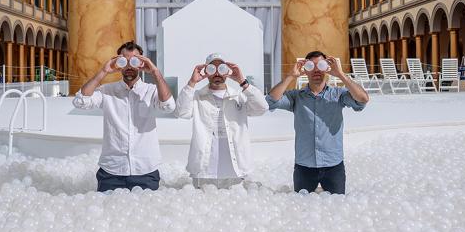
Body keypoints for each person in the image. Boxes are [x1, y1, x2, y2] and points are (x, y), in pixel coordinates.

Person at [73, 41, 175, 192]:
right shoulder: (107, 91)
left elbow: (168, 106)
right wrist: (104, 71)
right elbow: (80, 101)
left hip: (145, 171)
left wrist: (155, 72)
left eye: (134, 60)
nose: (128, 66)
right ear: (118, 63)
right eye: (124, 61)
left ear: (141, 63)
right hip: (111, 172)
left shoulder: (151, 90)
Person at [266, 51, 369, 194]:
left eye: (320, 65)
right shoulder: (297, 97)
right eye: (310, 66)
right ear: (305, 70)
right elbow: (271, 101)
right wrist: (290, 76)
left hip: (333, 165)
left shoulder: (338, 95)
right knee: (301, 210)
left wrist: (340, 74)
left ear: (326, 68)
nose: (316, 70)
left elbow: (362, 99)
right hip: (304, 167)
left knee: (337, 209)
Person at [175, 53, 269, 188]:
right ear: (206, 71)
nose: (217, 73)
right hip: (204, 169)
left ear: (228, 71)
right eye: (212, 69)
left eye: (222, 69)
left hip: (236, 169)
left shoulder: (239, 96)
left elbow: (262, 108)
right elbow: (181, 112)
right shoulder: (197, 97)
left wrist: (242, 81)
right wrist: (192, 82)